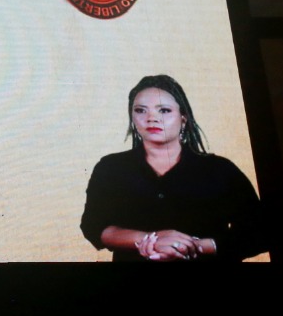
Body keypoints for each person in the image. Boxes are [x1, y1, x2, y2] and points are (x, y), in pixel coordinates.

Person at [81, 74, 262, 262]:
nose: (151, 118)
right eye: (141, 110)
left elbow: (259, 230)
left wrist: (196, 247)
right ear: (132, 117)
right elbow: (94, 226)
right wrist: (150, 240)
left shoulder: (220, 170)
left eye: (164, 110)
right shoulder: (110, 168)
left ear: (183, 118)